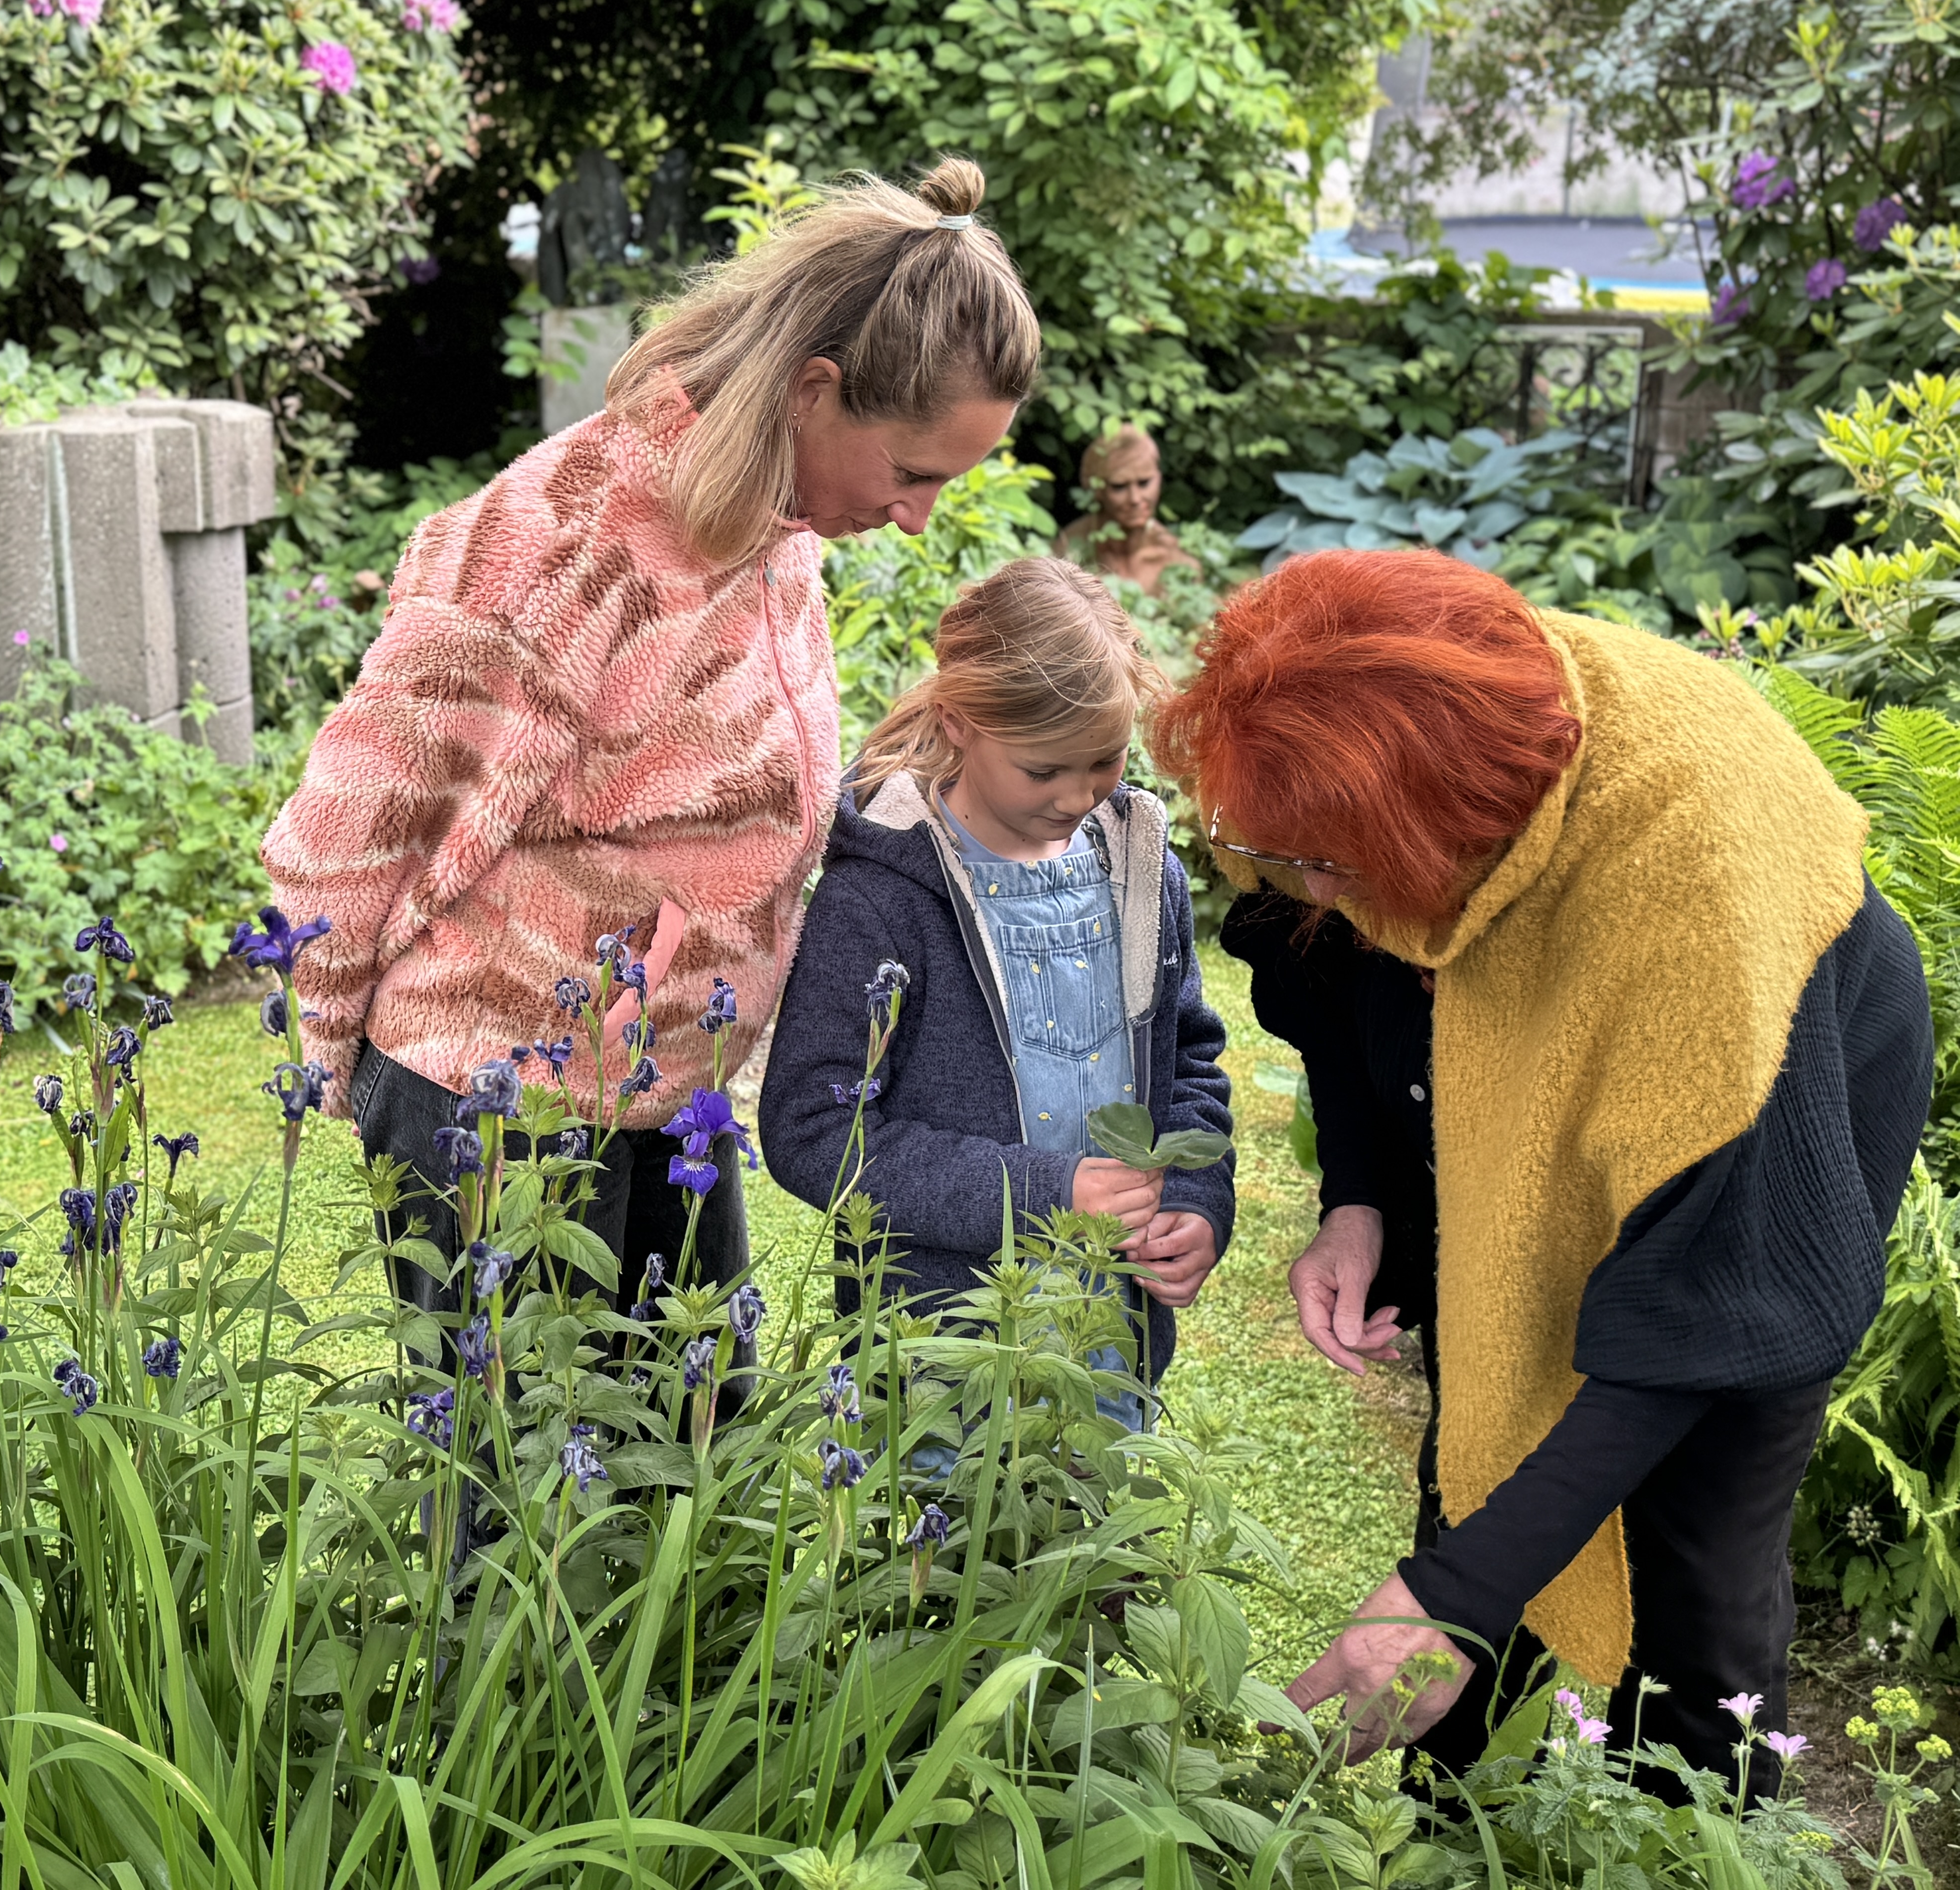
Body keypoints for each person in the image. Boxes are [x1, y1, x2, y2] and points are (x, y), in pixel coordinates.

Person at [1151, 548, 1932, 1789]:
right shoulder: (1380, 769)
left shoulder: (1695, 881)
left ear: (1478, 843)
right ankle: (1460, 1818)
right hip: (1550, 1061)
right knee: (1487, 1423)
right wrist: (1362, 1200)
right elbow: (1343, 985)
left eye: (1331, 869)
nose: (1311, 893)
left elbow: (1709, 1309)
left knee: (1701, 1550)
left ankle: (1693, 1835)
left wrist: (1452, 1592)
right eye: (1291, 863)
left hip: (1766, 1122)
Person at [261, 159, 1042, 1321]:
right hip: (502, 1103)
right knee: (528, 1444)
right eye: (913, 474)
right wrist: (328, 1056)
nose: (917, 518)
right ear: (814, 391)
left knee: (697, 1418)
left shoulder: (773, 527)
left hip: (661, 1091)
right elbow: (353, 814)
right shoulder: (562, 542)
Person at [759, 555, 1234, 1414]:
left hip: (1107, 1345)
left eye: (1105, 760)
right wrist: (1044, 1192)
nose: (1079, 795)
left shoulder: (1142, 874)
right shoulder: (879, 900)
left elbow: (1191, 1063)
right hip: (935, 1365)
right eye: (1043, 770)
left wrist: (1197, 1201)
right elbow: (813, 1131)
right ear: (959, 722)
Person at [1052, 426, 1196, 595]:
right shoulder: (1067, 551)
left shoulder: (1178, 561)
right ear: (1097, 489)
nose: (1135, 499)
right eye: (1119, 486)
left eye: (1144, 483)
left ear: (1159, 479)